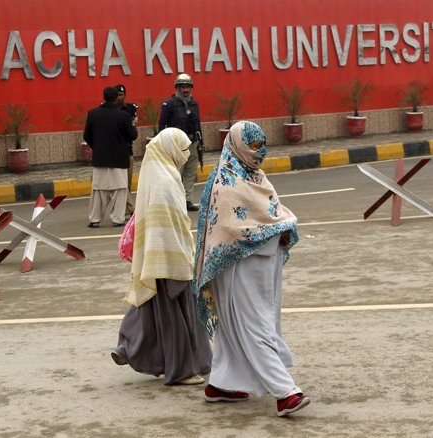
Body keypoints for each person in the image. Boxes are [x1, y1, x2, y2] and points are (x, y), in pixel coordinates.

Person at [192, 121, 311, 417]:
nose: (260, 152)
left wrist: (281, 228)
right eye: (254, 146)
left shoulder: (255, 175)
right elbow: (232, 228)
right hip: (237, 267)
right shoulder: (226, 181)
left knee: (241, 325)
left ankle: (220, 384)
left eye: (262, 145)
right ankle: (285, 393)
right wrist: (275, 229)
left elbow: (274, 212)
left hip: (264, 264)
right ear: (239, 146)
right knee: (253, 325)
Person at [111, 127, 212, 386]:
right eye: (183, 148)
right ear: (170, 149)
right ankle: (181, 369)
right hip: (169, 258)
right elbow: (171, 227)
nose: (187, 154)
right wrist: (182, 261)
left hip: (155, 257)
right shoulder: (166, 182)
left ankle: (128, 347)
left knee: (150, 309)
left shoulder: (157, 175)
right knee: (174, 316)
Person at [83, 86, 138, 228]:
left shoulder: (93, 114)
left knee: (99, 190)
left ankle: (94, 219)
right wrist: (133, 125)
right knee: (120, 190)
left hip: (100, 158)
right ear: (116, 98)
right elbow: (132, 135)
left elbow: (87, 135)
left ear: (104, 97)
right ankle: (117, 219)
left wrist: (98, 148)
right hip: (119, 158)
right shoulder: (123, 116)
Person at [158, 73, 203, 211]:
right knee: (176, 173)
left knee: (190, 172)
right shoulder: (169, 104)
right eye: (182, 87)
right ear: (177, 88)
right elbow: (161, 125)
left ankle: (187, 200)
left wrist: (201, 142)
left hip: (192, 142)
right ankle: (174, 201)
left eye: (188, 87)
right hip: (176, 144)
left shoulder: (194, 103)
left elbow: (198, 124)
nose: (185, 90)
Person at [114, 84, 139, 220]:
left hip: (127, 150)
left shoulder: (130, 109)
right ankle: (129, 209)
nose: (119, 98)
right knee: (121, 183)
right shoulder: (109, 110)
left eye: (121, 95)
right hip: (115, 151)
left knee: (127, 183)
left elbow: (132, 130)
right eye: (117, 95)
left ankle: (123, 209)